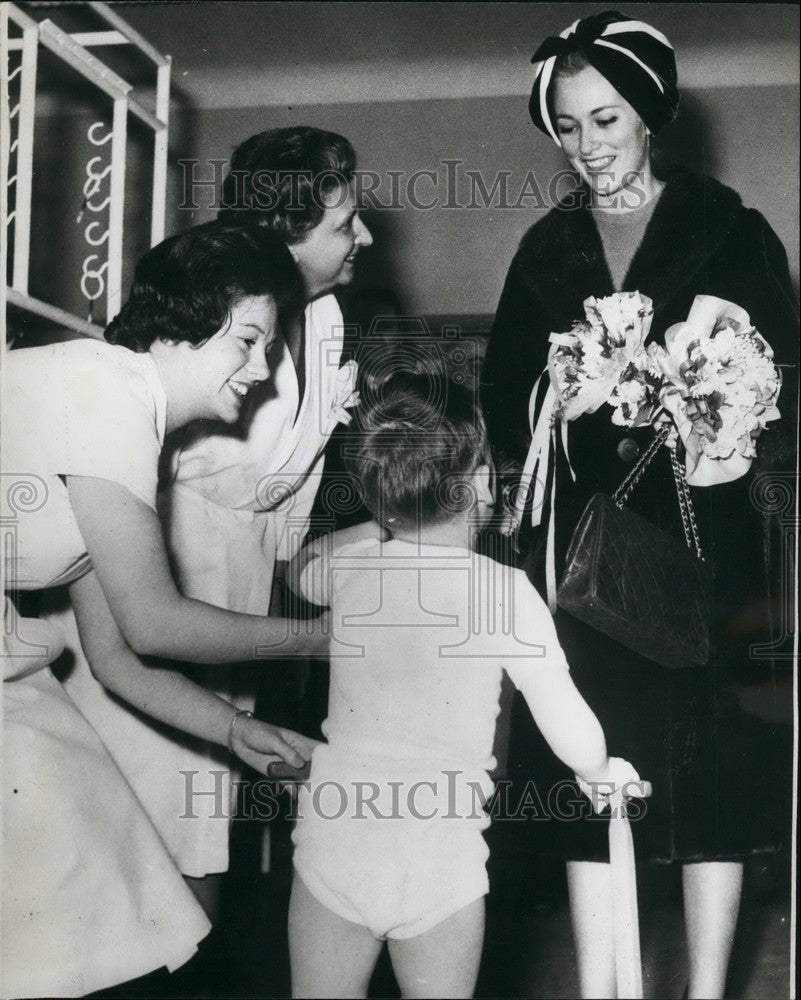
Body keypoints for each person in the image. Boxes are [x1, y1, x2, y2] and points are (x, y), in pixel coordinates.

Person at [481, 11, 798, 999]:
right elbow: (502, 397)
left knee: (714, 772)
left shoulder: (731, 229)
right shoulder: (546, 248)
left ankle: (705, 988)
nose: (589, 146)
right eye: (568, 127)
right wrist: (559, 391)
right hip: (587, 555)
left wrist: (692, 395)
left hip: (711, 550)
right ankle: (602, 985)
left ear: (650, 116)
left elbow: (780, 379)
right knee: (587, 764)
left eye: (606, 120)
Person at [1, 222, 325, 998]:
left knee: (101, 885)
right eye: (245, 340)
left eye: (270, 345)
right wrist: (324, 637)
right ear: (181, 323)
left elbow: (117, 656)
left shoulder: (127, 421)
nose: (261, 369)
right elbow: (157, 621)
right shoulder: (110, 388)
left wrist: (235, 730)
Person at [53, 127, 374, 897]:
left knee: (205, 839)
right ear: (277, 234)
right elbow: (140, 619)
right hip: (150, 569)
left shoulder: (326, 324)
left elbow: (289, 528)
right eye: (343, 224)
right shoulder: (192, 332)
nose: (363, 235)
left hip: (240, 607)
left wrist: (415, 541)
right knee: (130, 853)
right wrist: (322, 641)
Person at [284, 372, 647, 999]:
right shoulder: (506, 593)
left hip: (335, 841)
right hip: (440, 854)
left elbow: (298, 570)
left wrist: (384, 523)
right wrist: (598, 770)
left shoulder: (352, 570)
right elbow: (566, 720)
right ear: (481, 482)